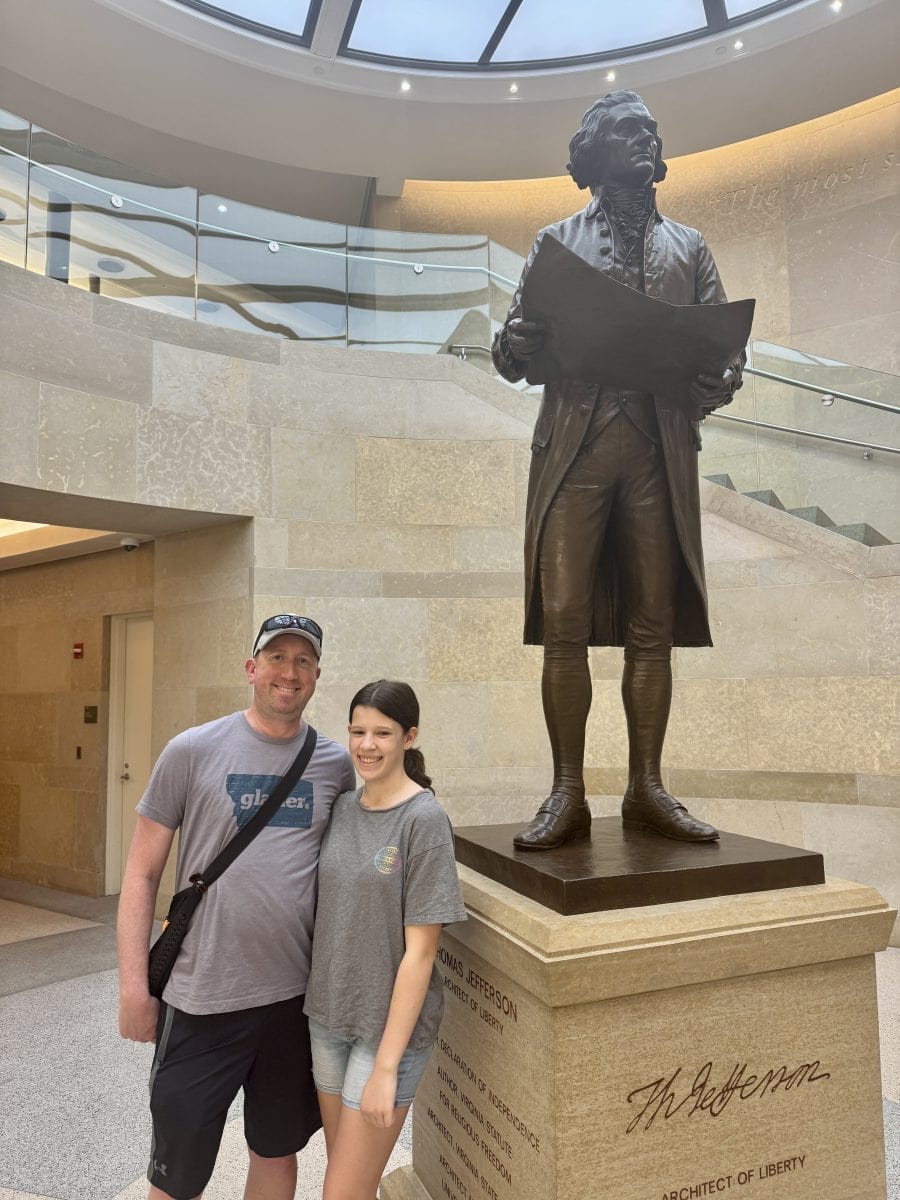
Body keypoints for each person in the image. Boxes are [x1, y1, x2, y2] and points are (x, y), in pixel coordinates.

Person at [492, 90, 745, 851]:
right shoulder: (555, 241)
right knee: (564, 625)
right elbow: (510, 355)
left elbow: (723, 350)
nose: (646, 140)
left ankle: (647, 788)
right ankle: (567, 792)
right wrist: (520, 341)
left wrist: (719, 379)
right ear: (595, 151)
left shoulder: (690, 247)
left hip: (657, 453)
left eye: (650, 133)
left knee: (653, 628)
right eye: (629, 132)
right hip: (574, 450)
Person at [117, 613, 355, 1200]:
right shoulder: (192, 750)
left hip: (293, 1003)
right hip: (201, 999)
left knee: (276, 1151)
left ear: (317, 676)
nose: (288, 672)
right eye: (277, 657)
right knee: (177, 1174)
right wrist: (132, 988)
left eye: (303, 661)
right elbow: (141, 872)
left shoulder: (334, 765)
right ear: (251, 669)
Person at [303, 679, 467, 1200]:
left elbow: (421, 954)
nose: (366, 745)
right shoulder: (344, 808)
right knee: (348, 1177)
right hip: (328, 1018)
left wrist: (387, 1068)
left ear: (409, 737)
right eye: (357, 731)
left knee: (341, 1192)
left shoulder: (424, 819)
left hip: (386, 1036)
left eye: (382, 732)